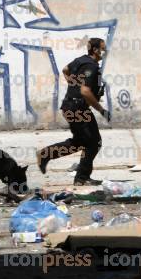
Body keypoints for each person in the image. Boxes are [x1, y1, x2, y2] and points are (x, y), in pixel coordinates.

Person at [36, 38, 110, 186]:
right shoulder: (91, 67)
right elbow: (85, 91)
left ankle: (47, 154)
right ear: (95, 50)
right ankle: (81, 178)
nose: (104, 52)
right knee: (93, 143)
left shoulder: (81, 60)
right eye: (103, 49)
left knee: (82, 142)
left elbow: (65, 69)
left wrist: (73, 84)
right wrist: (101, 110)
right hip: (77, 108)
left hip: (71, 106)